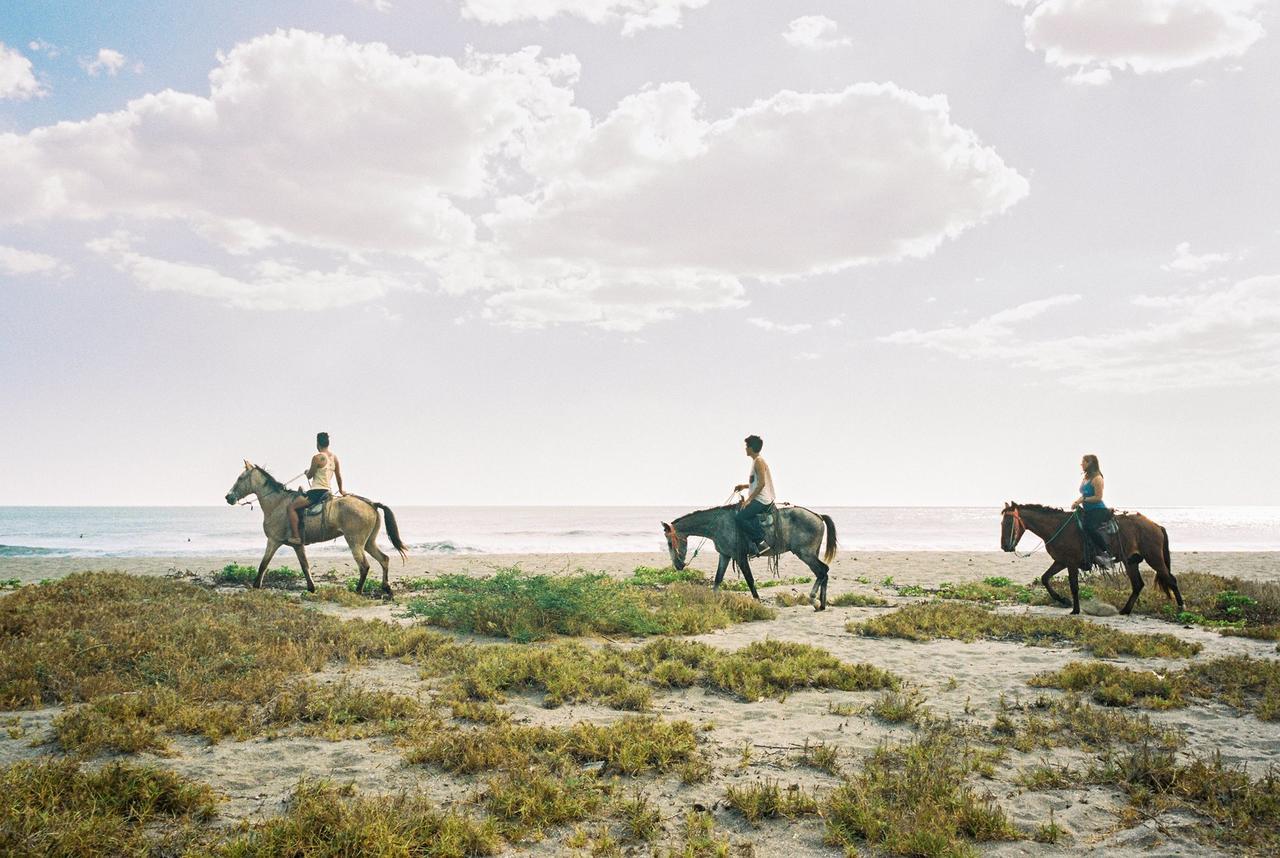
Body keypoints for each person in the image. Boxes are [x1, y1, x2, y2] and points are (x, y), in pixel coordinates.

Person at [287, 432, 344, 545]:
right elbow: (338, 476)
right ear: (328, 443)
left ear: (317, 444)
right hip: (328, 491)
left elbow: (310, 475)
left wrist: (307, 472)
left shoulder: (317, 458)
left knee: (291, 507)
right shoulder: (334, 458)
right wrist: (342, 491)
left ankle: (296, 537)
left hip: (317, 491)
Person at [733, 435, 775, 554]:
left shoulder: (759, 461)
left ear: (751, 448)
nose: (745, 449)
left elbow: (761, 484)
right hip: (759, 498)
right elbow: (756, 483)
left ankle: (761, 542)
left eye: (747, 446)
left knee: (740, 517)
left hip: (762, 500)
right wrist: (744, 486)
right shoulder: (756, 461)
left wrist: (749, 500)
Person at [1071, 453, 1112, 569]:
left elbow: (1098, 497)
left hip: (1098, 510)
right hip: (1087, 510)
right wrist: (1077, 502)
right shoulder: (1085, 478)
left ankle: (1106, 553)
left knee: (1089, 527)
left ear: (1090, 464)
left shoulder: (1097, 478)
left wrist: (1082, 500)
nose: (1081, 464)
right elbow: (1083, 495)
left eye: (1083, 462)